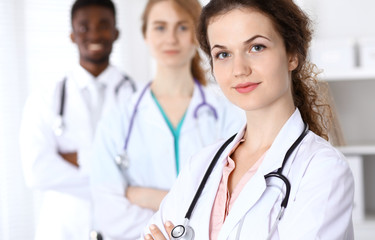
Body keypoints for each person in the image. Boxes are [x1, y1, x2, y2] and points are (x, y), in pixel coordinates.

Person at [142, 0, 355, 239]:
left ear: (292, 54)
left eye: (256, 47)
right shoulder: (200, 166)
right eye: (223, 54)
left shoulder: (321, 169)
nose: (239, 69)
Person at [90, 0, 245, 239]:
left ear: (199, 35)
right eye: (160, 27)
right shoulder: (117, 120)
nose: (171, 38)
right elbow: (110, 216)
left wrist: (146, 196)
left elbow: (234, 204)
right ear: (145, 34)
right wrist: (190, 220)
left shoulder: (229, 113)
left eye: (183, 27)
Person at [19, 0, 135, 239]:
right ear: (72, 35)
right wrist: (109, 167)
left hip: (122, 228)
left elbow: (146, 167)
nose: (93, 33)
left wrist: (74, 158)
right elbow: (37, 172)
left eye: (103, 25)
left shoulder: (138, 97)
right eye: (83, 27)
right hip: (63, 229)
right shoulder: (45, 97)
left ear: (116, 33)